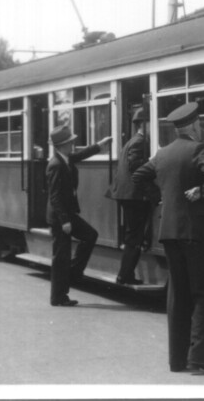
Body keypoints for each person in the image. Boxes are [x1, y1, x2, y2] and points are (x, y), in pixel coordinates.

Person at [132, 103, 204, 375]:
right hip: (197, 232)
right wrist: (201, 191)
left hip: (170, 232)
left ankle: (178, 360)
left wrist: (160, 197)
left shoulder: (163, 153)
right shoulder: (199, 149)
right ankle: (201, 360)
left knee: (178, 294)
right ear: (194, 126)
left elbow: (138, 176)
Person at [46, 124, 112, 307]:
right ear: (61, 146)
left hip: (67, 214)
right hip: (61, 218)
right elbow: (55, 197)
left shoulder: (65, 159)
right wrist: (65, 221)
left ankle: (73, 275)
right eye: (70, 143)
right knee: (60, 257)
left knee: (90, 235)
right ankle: (58, 297)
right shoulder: (56, 165)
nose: (72, 145)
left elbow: (80, 155)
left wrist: (99, 145)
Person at [106, 107, 159, 285]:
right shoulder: (140, 142)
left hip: (128, 194)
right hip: (134, 196)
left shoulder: (134, 140)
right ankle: (125, 275)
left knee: (133, 234)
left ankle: (125, 273)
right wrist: (154, 193)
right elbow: (136, 168)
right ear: (144, 124)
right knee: (134, 236)